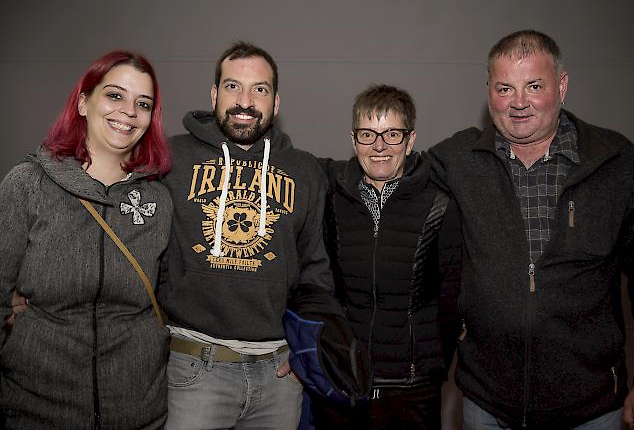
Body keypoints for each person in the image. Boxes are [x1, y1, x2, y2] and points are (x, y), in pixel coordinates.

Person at [428, 30, 634, 429]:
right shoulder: (458, 160)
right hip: (487, 404)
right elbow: (390, 171)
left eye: (534, 86)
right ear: (488, 91)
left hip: (592, 408)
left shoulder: (616, 164)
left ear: (561, 86)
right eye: (504, 88)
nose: (518, 103)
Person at [159, 42, 358, 430]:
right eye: (233, 87)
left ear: (276, 102)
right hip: (195, 367)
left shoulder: (303, 171)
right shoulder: (170, 159)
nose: (245, 101)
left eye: (260, 89)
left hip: (279, 376)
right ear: (215, 95)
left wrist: (305, 353)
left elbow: (315, 272)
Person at [0, 50, 173, 429]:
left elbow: (172, 293)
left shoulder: (159, 199)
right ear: (83, 102)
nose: (129, 111)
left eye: (142, 103)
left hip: (139, 411)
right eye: (114, 95)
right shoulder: (27, 184)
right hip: (36, 409)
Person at [313, 85, 462, 430]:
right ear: (353, 140)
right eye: (368, 134)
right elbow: (323, 289)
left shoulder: (439, 206)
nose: (379, 146)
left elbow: (452, 297)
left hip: (412, 390)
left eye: (392, 134)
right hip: (344, 383)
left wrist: (433, 366)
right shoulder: (333, 201)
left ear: (410, 141)